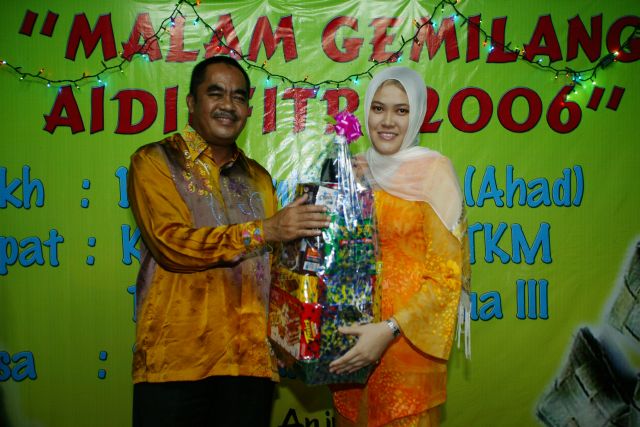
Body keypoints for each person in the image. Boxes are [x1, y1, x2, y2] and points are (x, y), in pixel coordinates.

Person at [128, 55, 329, 426]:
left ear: (248, 110)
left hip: (249, 364)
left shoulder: (259, 178)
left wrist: (291, 334)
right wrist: (265, 230)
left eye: (238, 97)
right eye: (215, 93)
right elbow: (171, 245)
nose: (227, 105)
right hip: (176, 363)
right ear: (191, 102)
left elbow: (273, 268)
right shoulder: (155, 161)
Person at [328, 66, 471, 427]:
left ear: (417, 114)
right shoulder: (355, 169)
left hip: (406, 348)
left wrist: (390, 330)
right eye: (378, 108)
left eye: (401, 110)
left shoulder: (434, 172)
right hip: (352, 344)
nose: (388, 121)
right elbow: (330, 255)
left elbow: (447, 278)